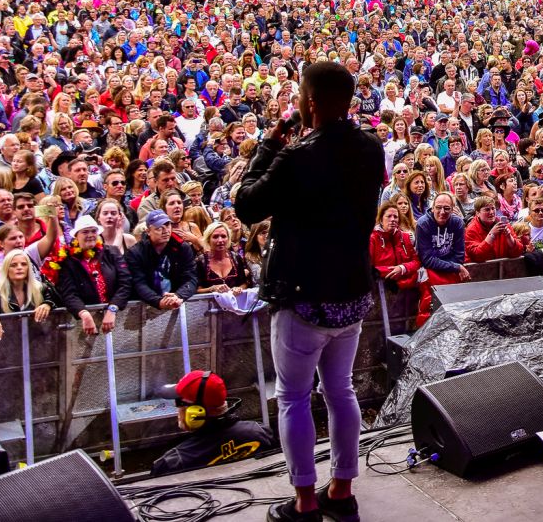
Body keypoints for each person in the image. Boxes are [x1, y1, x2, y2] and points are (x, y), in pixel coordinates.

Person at [235, 61, 383, 522]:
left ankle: (303, 502)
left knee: (294, 397)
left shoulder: (296, 155)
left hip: (303, 297)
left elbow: (246, 205)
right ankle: (341, 490)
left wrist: (268, 145)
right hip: (352, 294)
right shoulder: (371, 148)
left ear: (310, 102)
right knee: (341, 390)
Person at [151, 370, 277, 477]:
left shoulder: (172, 462)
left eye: (179, 403)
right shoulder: (260, 432)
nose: (177, 409)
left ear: (196, 412)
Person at [40, 214, 131, 337]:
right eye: (85, 232)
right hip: (82, 324)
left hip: (116, 317)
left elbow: (125, 282)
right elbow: (69, 293)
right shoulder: (67, 260)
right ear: (76, 236)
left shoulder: (111, 252)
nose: (90, 235)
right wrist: (84, 313)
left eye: (94, 231)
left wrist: (113, 308)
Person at [0, 248, 56, 341]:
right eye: (13, 265)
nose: (19, 267)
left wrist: (48, 304)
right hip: (3, 345)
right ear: (6, 268)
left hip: (33, 344)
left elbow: (59, 300)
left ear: (28, 268)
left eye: (24, 264)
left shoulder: (40, 288)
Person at [125, 210, 200, 309]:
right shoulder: (135, 252)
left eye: (168, 225)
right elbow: (139, 283)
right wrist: (159, 302)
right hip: (145, 306)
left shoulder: (182, 247)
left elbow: (191, 278)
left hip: (176, 302)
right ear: (148, 231)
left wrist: (179, 296)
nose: (166, 231)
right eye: (159, 228)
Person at [414, 192, 468, 327]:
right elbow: (427, 260)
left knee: (455, 310)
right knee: (430, 310)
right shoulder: (423, 224)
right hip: (431, 273)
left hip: (451, 272)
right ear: (432, 207)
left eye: (446, 208)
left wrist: (454, 266)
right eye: (438, 207)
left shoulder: (457, 223)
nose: (442, 212)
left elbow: (459, 256)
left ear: (453, 209)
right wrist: (455, 267)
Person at [196, 220, 253, 294]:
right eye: (215, 237)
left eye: (223, 236)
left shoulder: (236, 258)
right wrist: (212, 289)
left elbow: (244, 283)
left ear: (228, 239)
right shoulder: (200, 261)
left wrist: (238, 289)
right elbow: (196, 289)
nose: (220, 240)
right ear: (208, 240)